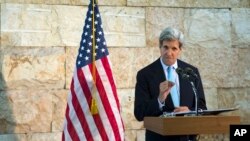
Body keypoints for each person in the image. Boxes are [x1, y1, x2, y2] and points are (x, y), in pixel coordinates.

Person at [134, 27, 207, 141]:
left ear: (180, 50)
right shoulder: (145, 74)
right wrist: (159, 100)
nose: (169, 53)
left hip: (187, 137)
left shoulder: (192, 72)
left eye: (174, 48)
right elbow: (139, 113)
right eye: (166, 47)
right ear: (160, 47)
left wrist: (190, 111)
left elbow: (202, 106)